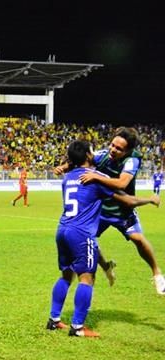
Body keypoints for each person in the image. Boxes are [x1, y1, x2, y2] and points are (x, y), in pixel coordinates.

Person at [48, 141, 159, 337]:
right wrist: (149, 199)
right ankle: (78, 328)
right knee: (87, 278)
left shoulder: (68, 178)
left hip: (62, 230)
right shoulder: (96, 178)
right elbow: (127, 200)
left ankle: (54, 320)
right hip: (81, 234)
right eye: (91, 150)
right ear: (89, 156)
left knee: (66, 274)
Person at [80, 127, 165, 295]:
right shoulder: (103, 155)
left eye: (119, 149)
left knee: (138, 239)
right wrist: (65, 166)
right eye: (112, 145)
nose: (113, 150)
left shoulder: (133, 160)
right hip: (101, 210)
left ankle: (157, 274)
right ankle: (106, 266)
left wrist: (97, 176)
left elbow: (122, 183)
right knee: (86, 240)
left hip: (123, 210)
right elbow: (83, 157)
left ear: (128, 151)